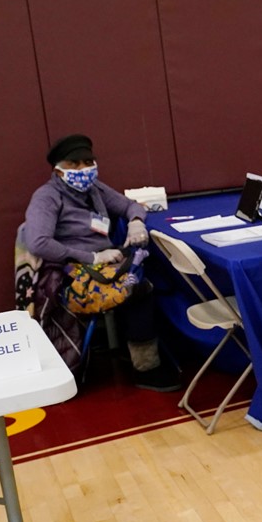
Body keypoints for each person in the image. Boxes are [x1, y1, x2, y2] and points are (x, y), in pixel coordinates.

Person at [23, 134, 180, 391]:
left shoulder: (94, 190)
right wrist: (92, 257)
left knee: (148, 275)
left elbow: (130, 206)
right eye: (75, 165)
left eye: (88, 162)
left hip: (104, 266)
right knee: (138, 291)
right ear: (59, 170)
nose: (83, 170)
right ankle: (146, 367)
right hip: (71, 273)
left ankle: (138, 347)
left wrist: (136, 221)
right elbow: (38, 242)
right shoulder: (47, 197)